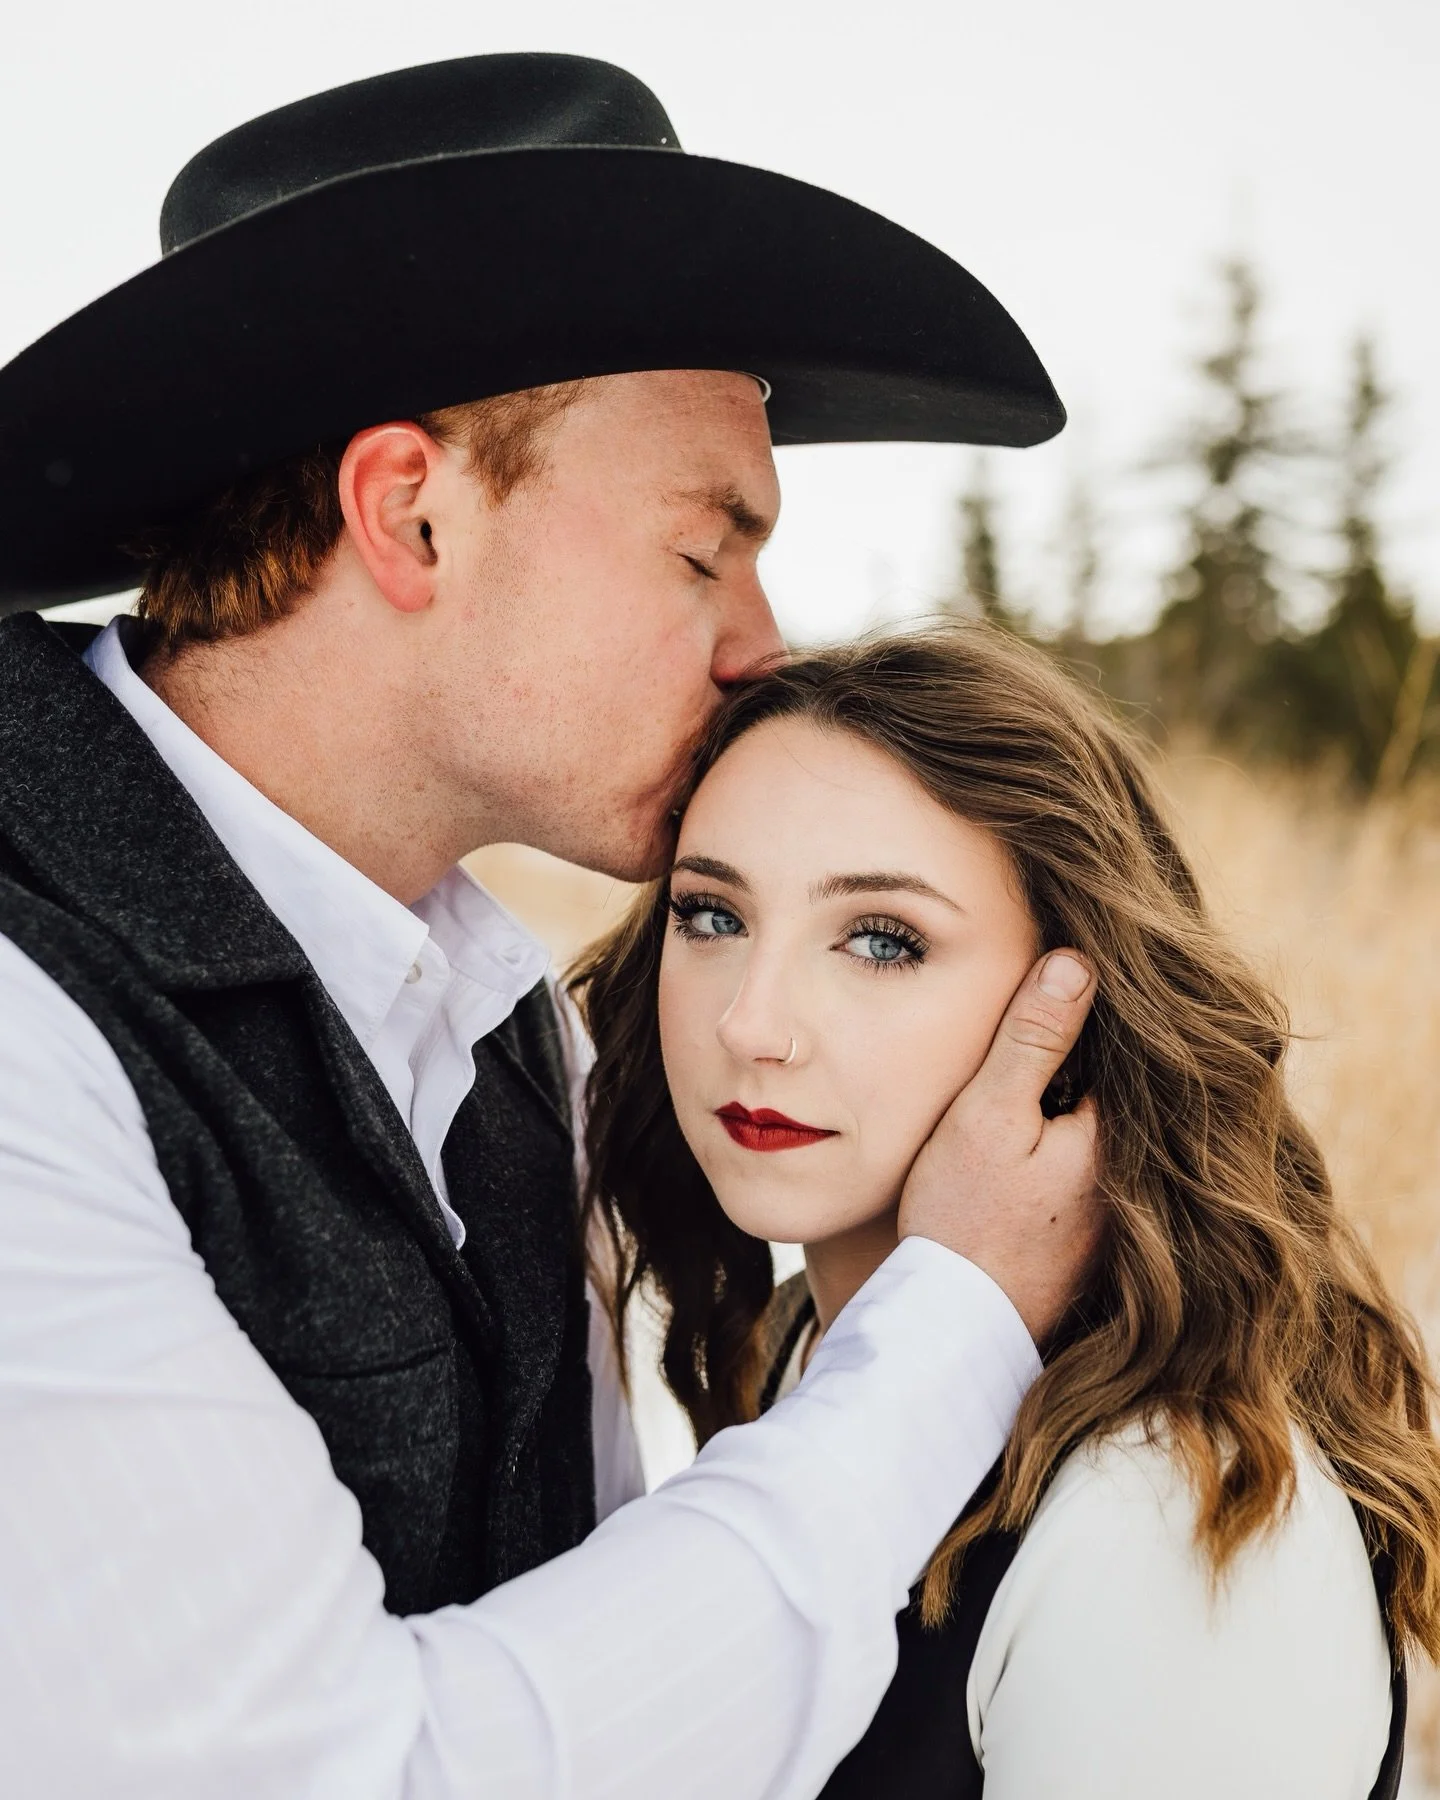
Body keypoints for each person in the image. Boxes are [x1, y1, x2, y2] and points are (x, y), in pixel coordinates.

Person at [0, 53, 1103, 1800]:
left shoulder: (504, 1021)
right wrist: (957, 1321)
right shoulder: (23, 1028)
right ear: (409, 513)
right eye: (703, 548)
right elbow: (334, 1777)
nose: (763, 637)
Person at [573, 624, 1440, 1799]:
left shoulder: (1173, 1516)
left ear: (1072, 995)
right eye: (711, 916)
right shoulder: (799, 1346)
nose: (750, 1024)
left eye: (882, 940)